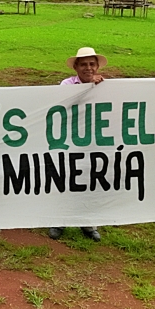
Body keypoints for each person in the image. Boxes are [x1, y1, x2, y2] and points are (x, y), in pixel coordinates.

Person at [48, 47, 107, 242]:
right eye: (83, 64)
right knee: (65, 179)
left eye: (92, 64)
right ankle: (59, 221)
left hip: (93, 140)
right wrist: (89, 86)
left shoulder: (105, 85)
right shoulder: (66, 84)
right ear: (76, 67)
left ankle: (88, 223)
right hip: (69, 139)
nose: (88, 68)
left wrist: (97, 86)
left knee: (91, 181)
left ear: (97, 66)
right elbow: (65, 102)